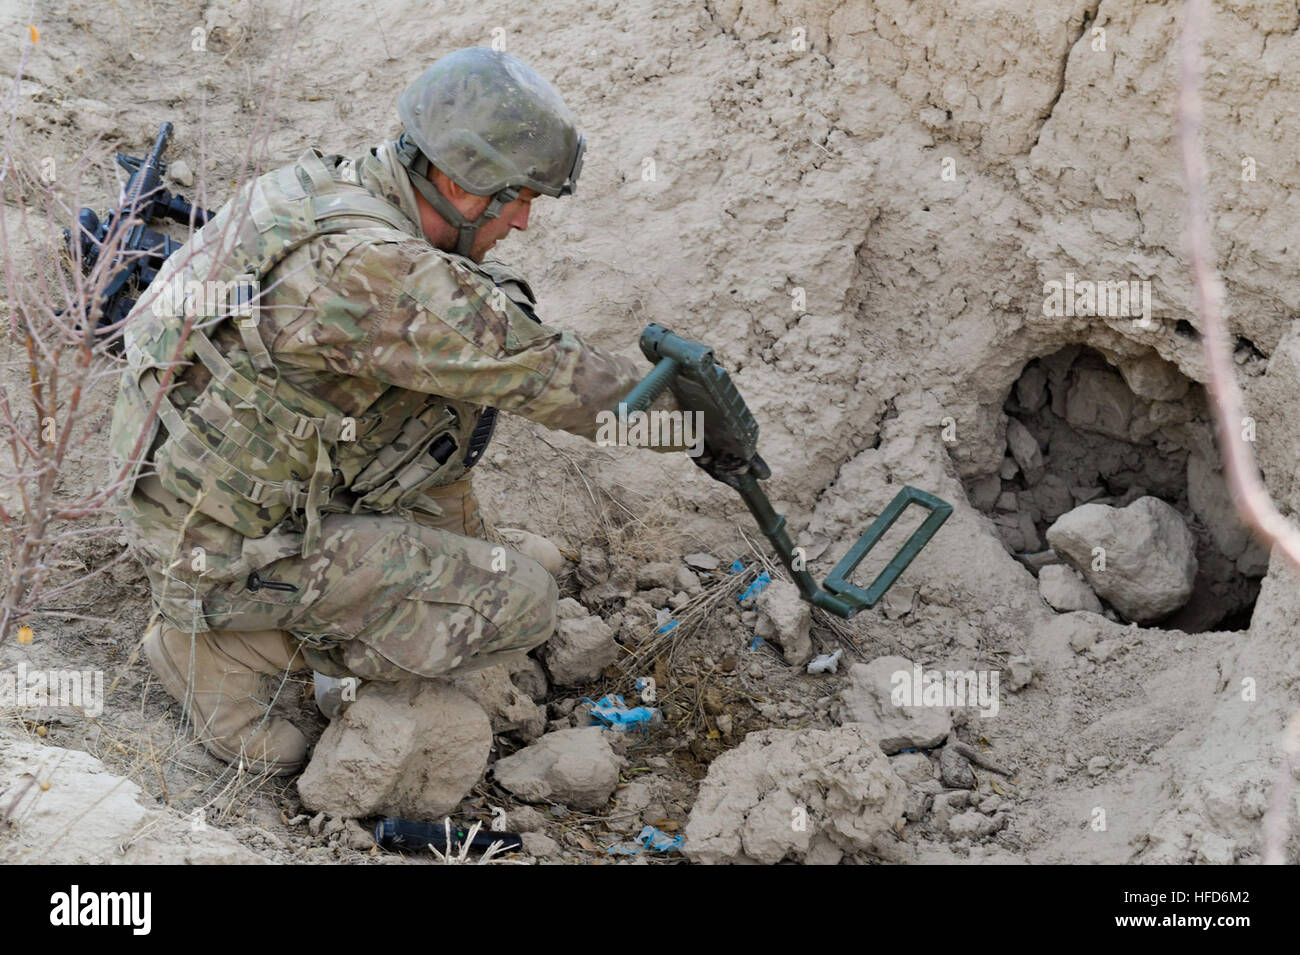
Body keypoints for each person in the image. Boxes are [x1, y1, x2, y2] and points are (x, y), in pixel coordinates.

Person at [108, 47, 689, 775]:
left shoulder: (321, 186)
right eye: (519, 197)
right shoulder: (374, 271)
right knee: (527, 604)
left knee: (469, 358)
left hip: (187, 492)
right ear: (459, 182)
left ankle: (400, 574)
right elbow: (548, 375)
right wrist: (692, 423)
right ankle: (220, 647)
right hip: (221, 557)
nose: (525, 221)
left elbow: (477, 333)